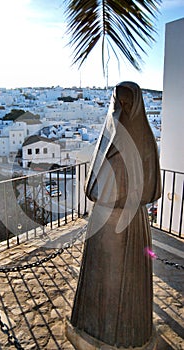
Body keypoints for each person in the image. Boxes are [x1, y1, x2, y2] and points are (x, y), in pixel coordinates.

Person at [70, 81, 161, 348]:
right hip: (117, 220)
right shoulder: (130, 134)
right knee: (106, 278)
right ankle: (100, 327)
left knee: (120, 279)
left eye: (126, 103)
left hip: (121, 220)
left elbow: (143, 185)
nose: (122, 107)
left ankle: (117, 330)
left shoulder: (128, 135)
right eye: (120, 102)